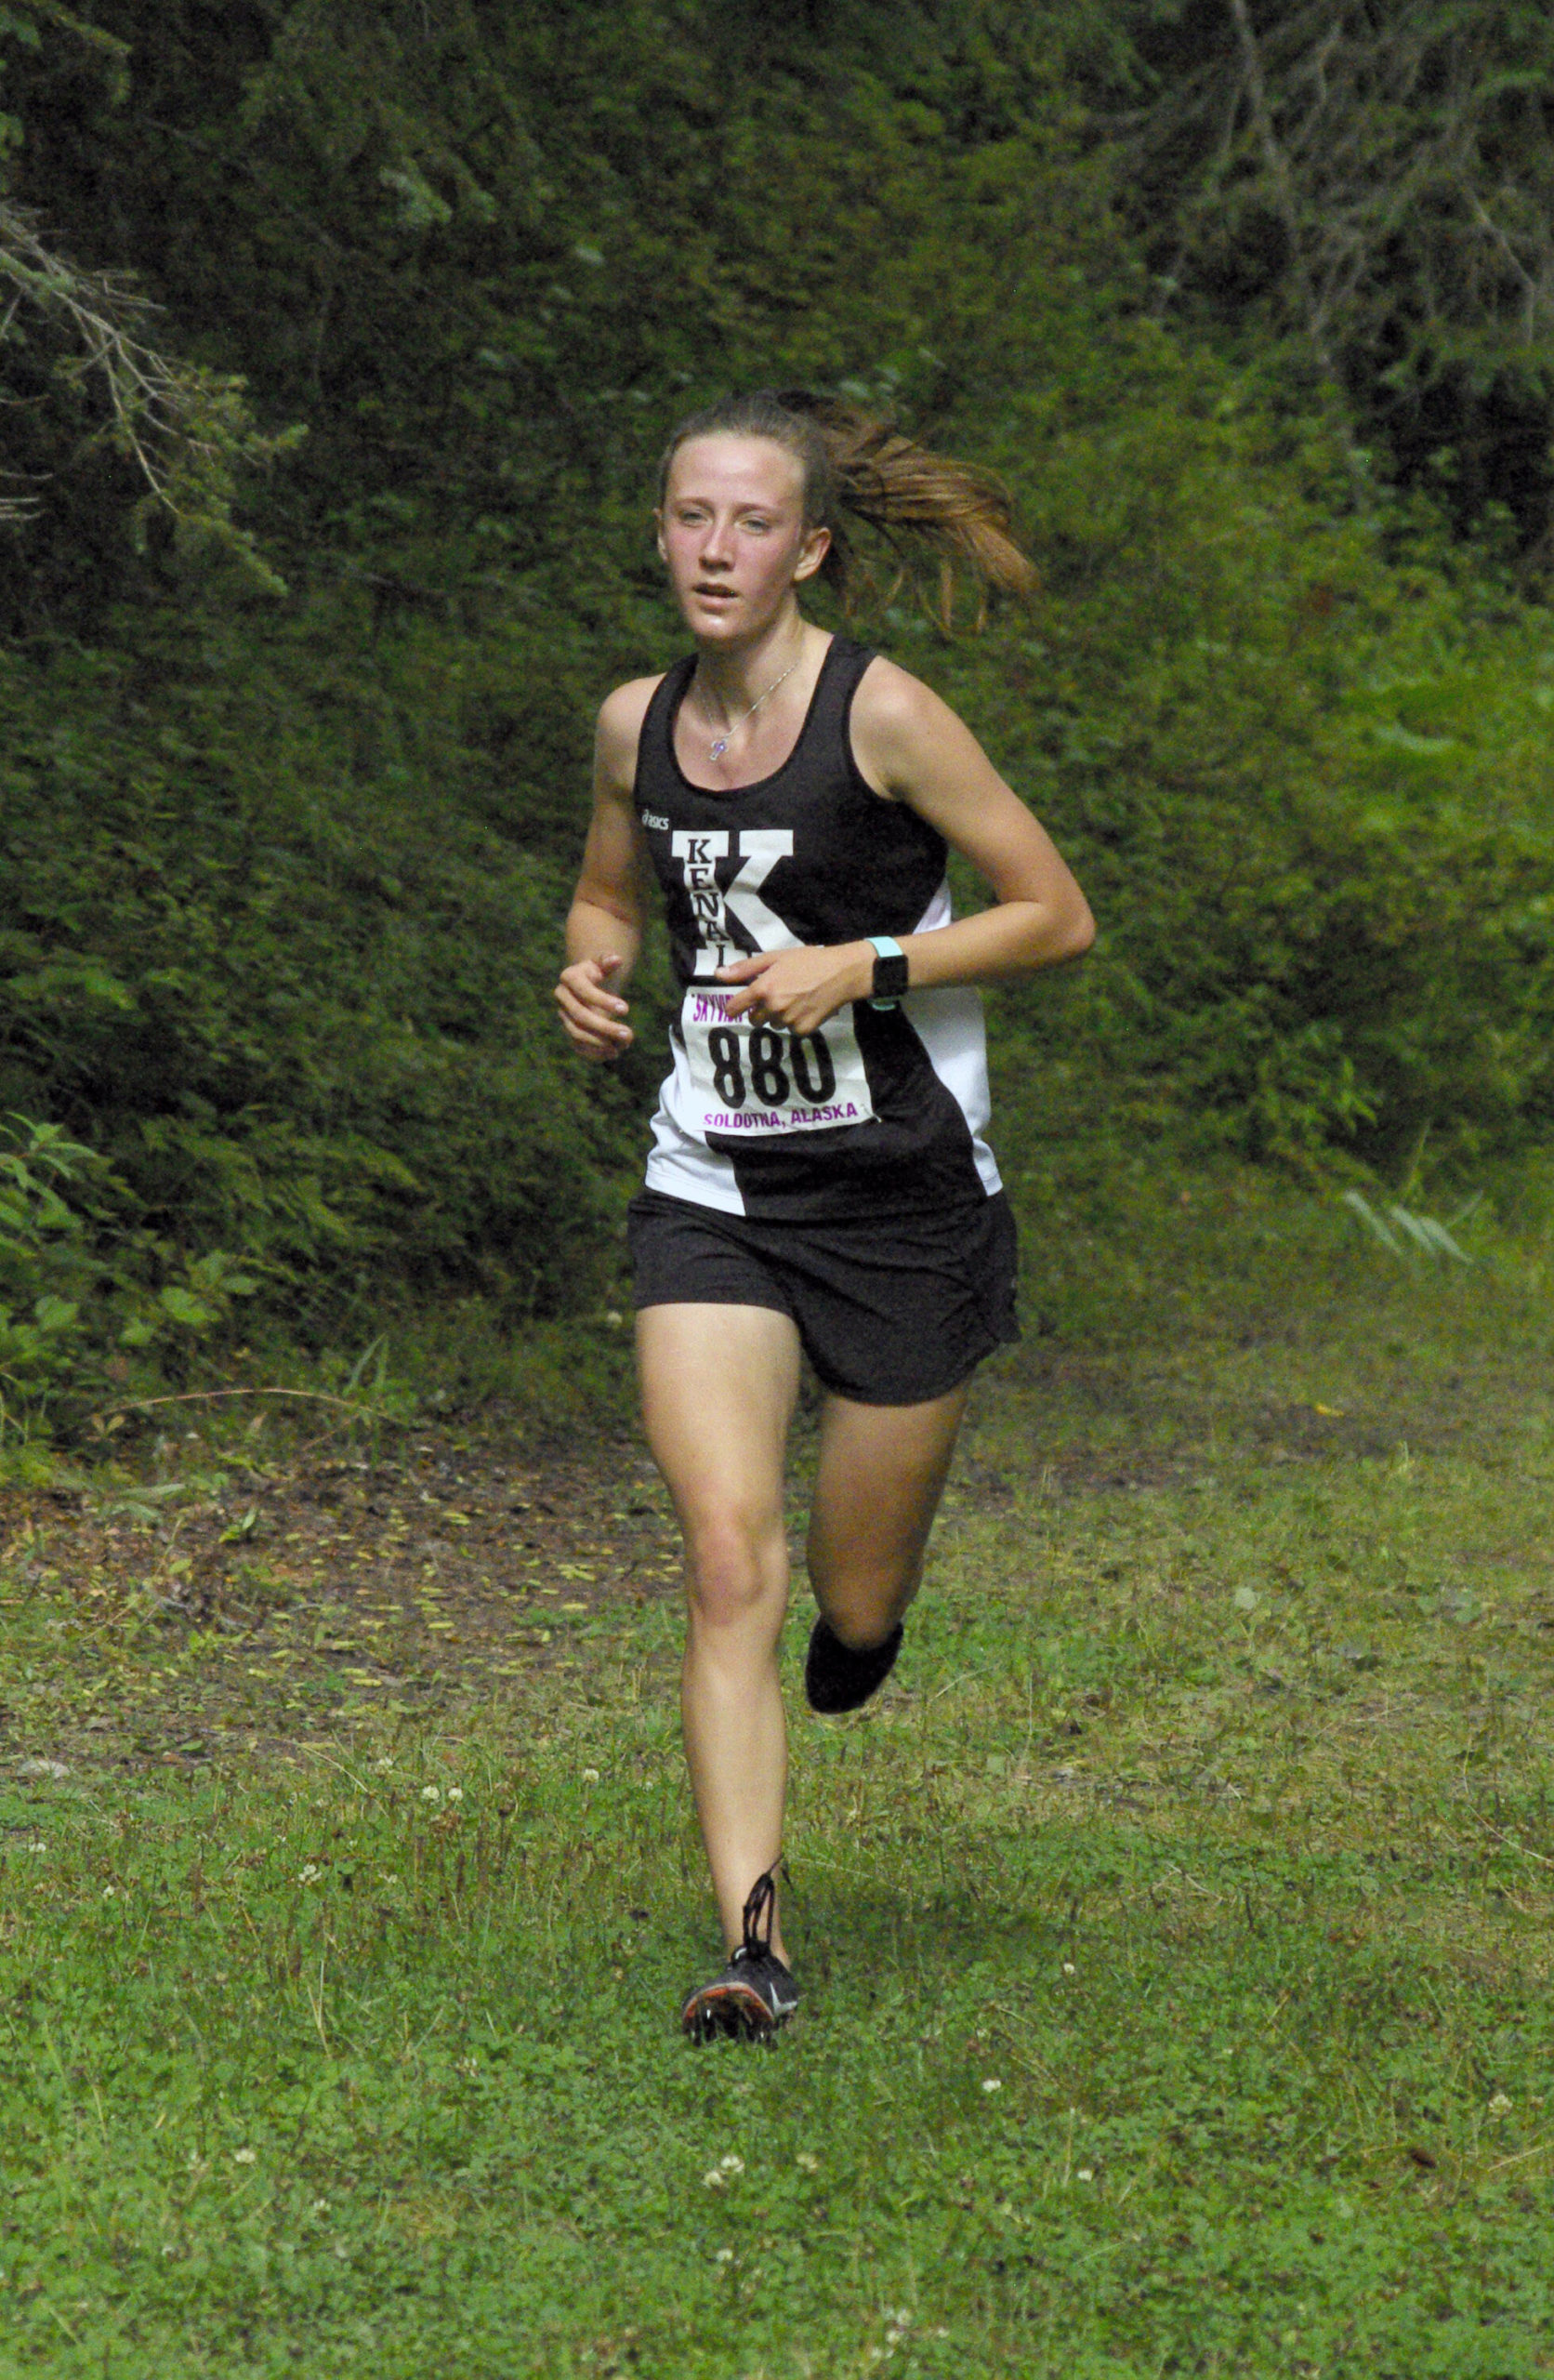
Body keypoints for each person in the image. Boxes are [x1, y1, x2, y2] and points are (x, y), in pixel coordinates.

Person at [553, 389, 1094, 2042]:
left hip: (906, 1202)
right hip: (714, 1184)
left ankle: (868, 1634)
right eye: (692, 519)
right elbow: (604, 888)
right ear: (662, 534)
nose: (718, 550)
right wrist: (593, 969)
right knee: (729, 1561)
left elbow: (1055, 916)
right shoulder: (634, 723)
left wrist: (861, 965)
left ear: (809, 550)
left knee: (847, 1611)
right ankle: (752, 1946)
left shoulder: (886, 716)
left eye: (753, 524)